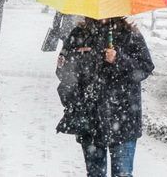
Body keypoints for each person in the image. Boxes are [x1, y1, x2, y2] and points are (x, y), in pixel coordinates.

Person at [55, 17, 154, 177]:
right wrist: (82, 61)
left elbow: (145, 67)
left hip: (124, 118)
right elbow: (63, 72)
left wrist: (118, 59)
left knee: (122, 174)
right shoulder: (79, 33)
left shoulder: (129, 33)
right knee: (95, 174)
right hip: (91, 119)